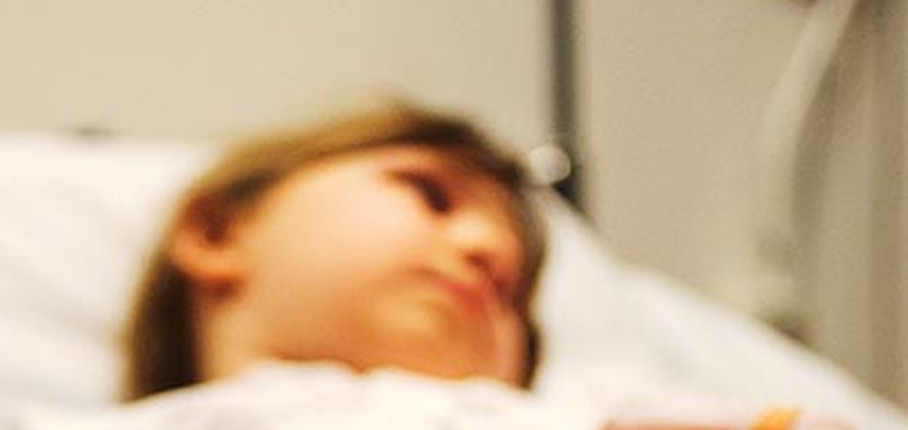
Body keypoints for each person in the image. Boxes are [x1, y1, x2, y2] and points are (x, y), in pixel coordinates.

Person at [118, 101, 835, 430]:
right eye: (429, 196)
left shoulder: (565, 414)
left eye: (514, 293)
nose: (486, 252)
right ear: (217, 233)